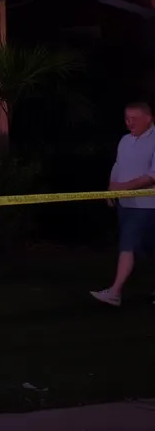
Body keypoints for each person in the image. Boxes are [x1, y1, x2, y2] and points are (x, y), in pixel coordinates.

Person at [91, 101, 155, 307]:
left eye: (133, 119)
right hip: (125, 205)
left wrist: (125, 187)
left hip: (147, 206)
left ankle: (115, 292)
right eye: (126, 119)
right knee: (144, 249)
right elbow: (118, 165)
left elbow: (152, 176)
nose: (129, 123)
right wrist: (112, 190)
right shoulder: (125, 140)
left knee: (127, 244)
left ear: (148, 118)